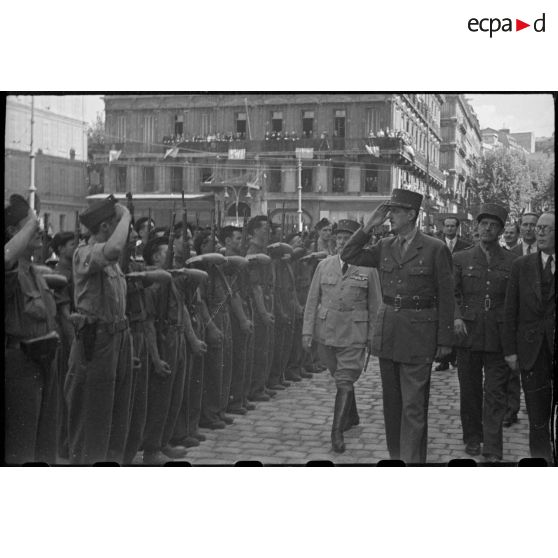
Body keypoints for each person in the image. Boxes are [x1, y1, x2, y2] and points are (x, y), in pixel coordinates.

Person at [341, 190, 454, 463]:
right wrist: (369, 226)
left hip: (419, 334)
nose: (389, 216)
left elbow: (447, 295)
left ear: (412, 214)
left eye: (395, 211)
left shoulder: (434, 247)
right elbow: (348, 254)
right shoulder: (384, 245)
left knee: (413, 408)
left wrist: (445, 340)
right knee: (392, 406)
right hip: (389, 332)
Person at [65, 194, 134, 464]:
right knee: (93, 415)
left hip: (118, 339)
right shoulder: (86, 252)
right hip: (97, 341)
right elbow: (114, 249)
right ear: (106, 227)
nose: (123, 231)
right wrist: (125, 215)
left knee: (116, 414)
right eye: (117, 225)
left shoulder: (109, 261)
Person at [304, 219, 382, 453]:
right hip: (326, 334)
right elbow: (311, 301)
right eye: (339, 238)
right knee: (339, 377)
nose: (342, 242)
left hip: (354, 333)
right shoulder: (324, 265)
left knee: (345, 379)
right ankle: (352, 414)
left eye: (347, 238)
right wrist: (307, 331)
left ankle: (336, 432)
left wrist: (372, 337)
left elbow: (375, 306)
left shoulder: (368, 269)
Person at [452, 203, 518, 462]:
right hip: (467, 333)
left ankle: (492, 444)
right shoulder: (461, 258)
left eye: (494, 225)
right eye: (484, 225)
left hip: (498, 335)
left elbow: (515, 301)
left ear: (501, 230)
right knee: (469, 391)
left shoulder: (513, 262)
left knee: (495, 392)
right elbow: (452, 293)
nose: (488, 229)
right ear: (476, 228)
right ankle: (472, 437)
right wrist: (456, 317)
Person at [5, 195, 62, 463]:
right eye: (30, 224)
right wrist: (30, 223)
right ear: (13, 232)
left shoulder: (33, 270)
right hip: (20, 364)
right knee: (22, 446)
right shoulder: (12, 269)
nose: (38, 228)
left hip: (44, 360)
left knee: (44, 445)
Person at [503, 212, 555, 463]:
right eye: (540, 228)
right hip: (532, 352)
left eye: (547, 228)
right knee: (537, 418)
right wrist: (510, 351)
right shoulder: (521, 266)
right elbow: (510, 310)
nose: (541, 232)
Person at [435, 217, 471, 371]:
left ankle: (455, 356)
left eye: (452, 226)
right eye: (447, 226)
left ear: (457, 228)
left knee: (456, 321)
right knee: (442, 322)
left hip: (458, 288)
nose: (449, 229)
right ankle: (443, 359)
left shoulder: (465, 246)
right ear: (443, 227)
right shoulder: (435, 244)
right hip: (439, 287)